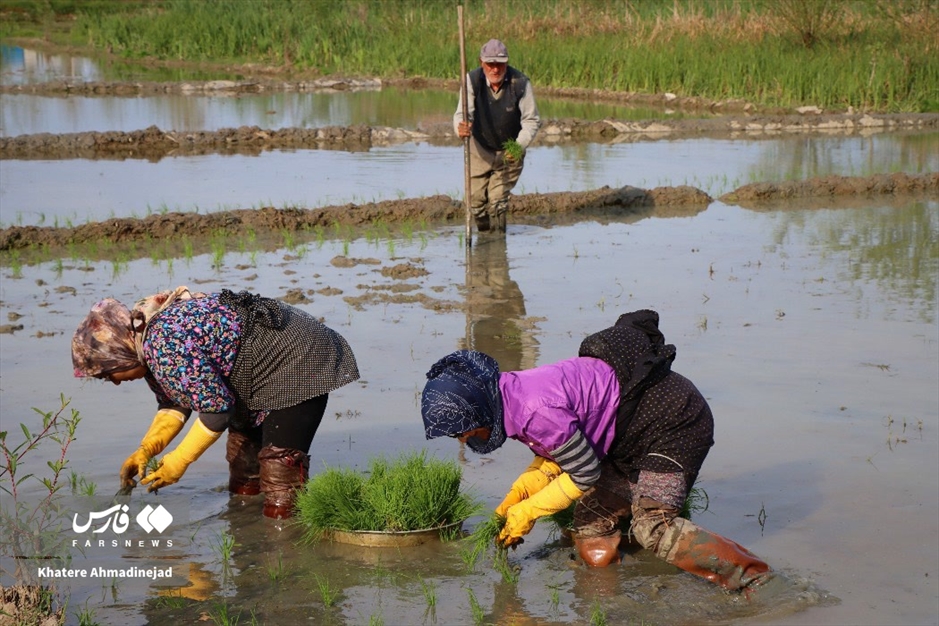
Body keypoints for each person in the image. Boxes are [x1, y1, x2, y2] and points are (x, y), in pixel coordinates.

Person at [420, 310, 774, 594]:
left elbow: (584, 471)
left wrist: (531, 510)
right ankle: (608, 597)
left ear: (478, 409)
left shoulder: (533, 408)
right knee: (589, 520)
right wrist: (530, 482)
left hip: (673, 422)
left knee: (653, 526)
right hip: (625, 434)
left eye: (461, 430)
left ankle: (756, 579)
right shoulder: (510, 394)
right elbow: (563, 442)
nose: (463, 439)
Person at [71, 286, 359, 519]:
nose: (116, 382)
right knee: (243, 473)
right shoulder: (145, 348)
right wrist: (146, 450)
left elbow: (217, 411)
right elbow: (175, 403)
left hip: (298, 361)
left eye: (110, 375)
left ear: (120, 354)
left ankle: (284, 554)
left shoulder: (164, 344)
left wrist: (179, 461)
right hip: (250, 372)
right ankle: (247, 548)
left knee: (279, 475)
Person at [455, 38, 541, 233]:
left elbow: (531, 120)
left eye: (499, 64)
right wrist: (461, 128)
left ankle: (498, 249)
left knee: (497, 203)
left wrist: (519, 145)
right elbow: (462, 114)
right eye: (490, 64)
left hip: (510, 149)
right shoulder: (471, 80)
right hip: (479, 148)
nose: (495, 69)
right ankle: (484, 238)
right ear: (482, 63)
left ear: (506, 63)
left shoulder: (520, 83)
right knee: (476, 202)